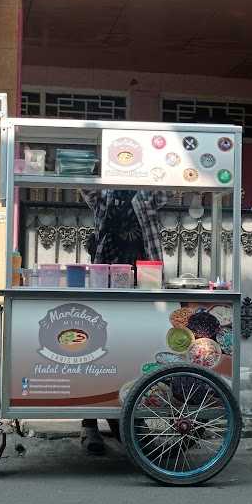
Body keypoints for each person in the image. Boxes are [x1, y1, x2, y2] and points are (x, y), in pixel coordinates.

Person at [80, 189, 167, 454]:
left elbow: (173, 188)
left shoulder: (148, 193)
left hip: (144, 282)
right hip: (105, 280)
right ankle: (90, 424)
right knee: (98, 351)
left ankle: (127, 422)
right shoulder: (103, 193)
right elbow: (85, 185)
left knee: (133, 353)